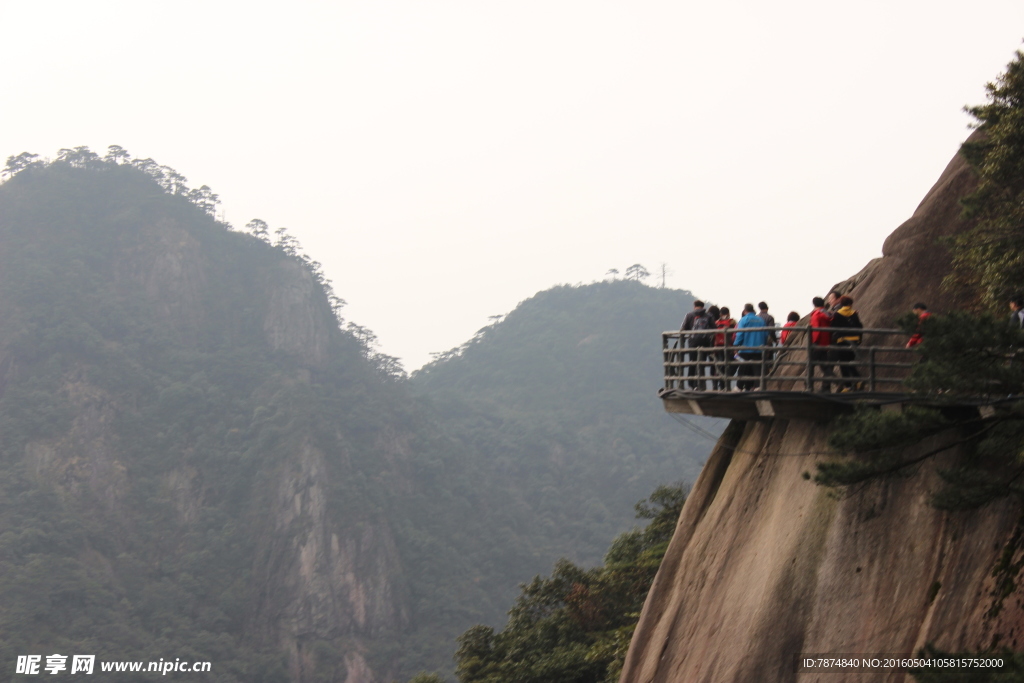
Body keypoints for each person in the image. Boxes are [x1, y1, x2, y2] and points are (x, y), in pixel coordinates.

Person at [732, 303, 770, 391]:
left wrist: (736, 346)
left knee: (743, 368)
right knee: (757, 369)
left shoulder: (744, 320)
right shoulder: (761, 320)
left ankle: (739, 387)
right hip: (759, 349)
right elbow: (765, 335)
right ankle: (758, 387)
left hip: (745, 349)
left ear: (745, 311)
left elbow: (740, 334)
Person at [829, 296, 863, 390]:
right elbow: (859, 326)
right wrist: (859, 339)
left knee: (843, 364)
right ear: (850, 304)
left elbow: (832, 328)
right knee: (850, 362)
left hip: (842, 341)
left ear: (841, 304)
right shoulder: (854, 313)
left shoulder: (837, 314)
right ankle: (858, 381)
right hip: (854, 340)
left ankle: (848, 386)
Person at [680, 300, 714, 389]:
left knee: (693, 362)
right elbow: (714, 328)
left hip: (693, 342)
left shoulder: (689, 315)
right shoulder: (709, 316)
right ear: (703, 307)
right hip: (705, 342)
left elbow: (683, 329)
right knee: (702, 363)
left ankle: (692, 384)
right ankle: (702, 384)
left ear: (694, 306)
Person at [810, 297, 833, 391]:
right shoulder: (827, 313)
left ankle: (808, 386)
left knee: (810, 364)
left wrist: (814, 342)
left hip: (817, 344)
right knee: (825, 366)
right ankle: (837, 382)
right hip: (825, 343)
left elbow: (816, 330)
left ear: (814, 304)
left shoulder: (816, 314)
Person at [712, 307, 737, 390]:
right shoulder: (732, 322)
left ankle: (718, 384)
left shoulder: (716, 322)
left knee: (720, 365)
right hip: (729, 347)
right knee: (733, 363)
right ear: (729, 313)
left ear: (720, 314)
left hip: (718, 347)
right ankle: (726, 383)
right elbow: (735, 334)